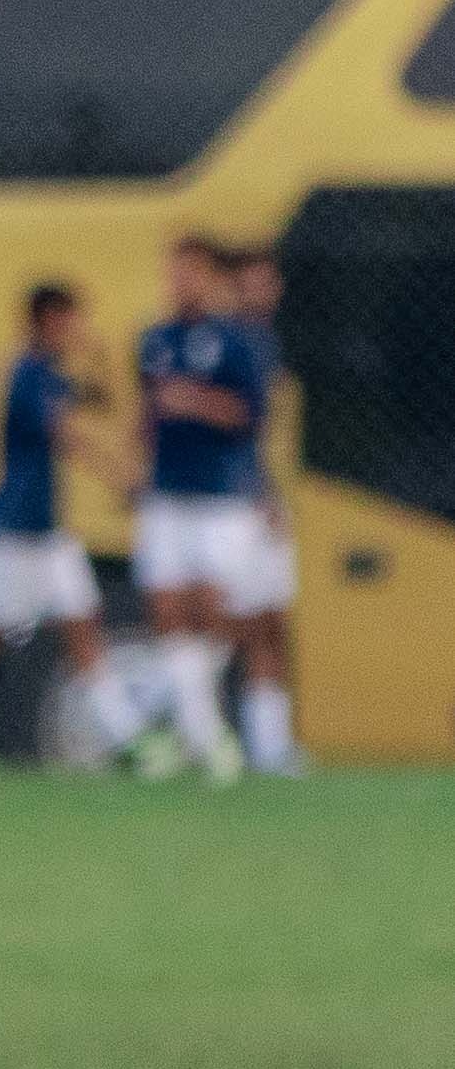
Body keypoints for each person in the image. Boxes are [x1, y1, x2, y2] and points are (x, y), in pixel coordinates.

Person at [0, 279, 110, 766]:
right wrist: (124, 476)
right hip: (17, 530)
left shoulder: (46, 372)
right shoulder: (29, 372)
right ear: (50, 320)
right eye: (72, 319)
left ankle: (127, 736)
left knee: (82, 626)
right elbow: (66, 435)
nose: (79, 330)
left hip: (44, 530)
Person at [123, 232, 265, 785]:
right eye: (175, 272)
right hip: (166, 494)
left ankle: (189, 730)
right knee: (167, 609)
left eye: (192, 273)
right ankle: (206, 737)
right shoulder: (154, 339)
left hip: (220, 496)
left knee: (214, 612)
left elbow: (251, 416)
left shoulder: (235, 342)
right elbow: (146, 411)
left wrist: (196, 402)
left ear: (210, 279)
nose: (182, 283)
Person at [219, 244, 308, 775]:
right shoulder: (232, 345)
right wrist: (260, 493)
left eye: (268, 281)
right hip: (241, 503)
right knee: (234, 623)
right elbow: (241, 432)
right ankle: (182, 722)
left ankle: (270, 746)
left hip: (267, 498)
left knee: (270, 622)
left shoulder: (266, 343)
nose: (263, 292)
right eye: (251, 282)